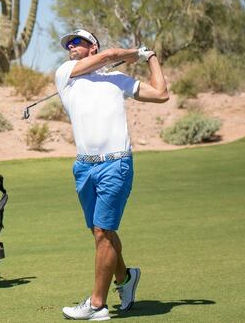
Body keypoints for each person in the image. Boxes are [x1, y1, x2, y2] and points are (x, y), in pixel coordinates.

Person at [55, 29, 169, 320]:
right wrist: (136, 52)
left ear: (91, 46)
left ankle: (97, 305)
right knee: (99, 232)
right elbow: (110, 56)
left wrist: (151, 58)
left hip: (115, 165)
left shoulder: (117, 80)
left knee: (103, 232)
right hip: (83, 167)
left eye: (77, 42)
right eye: (69, 44)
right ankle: (126, 279)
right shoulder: (66, 75)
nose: (71, 47)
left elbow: (161, 94)